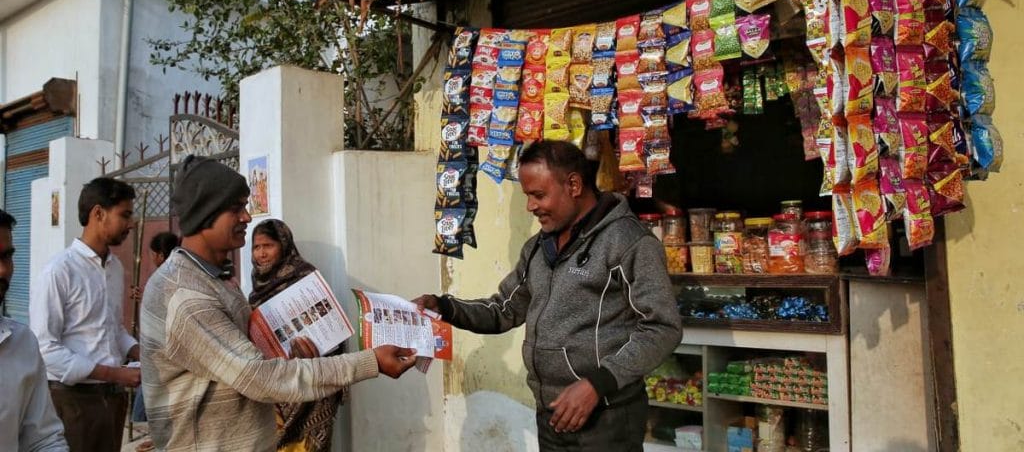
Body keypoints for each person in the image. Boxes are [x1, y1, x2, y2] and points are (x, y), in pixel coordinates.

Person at [415, 140, 682, 451]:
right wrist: (445, 307)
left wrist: (598, 384)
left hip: (607, 418)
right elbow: (504, 309)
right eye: (528, 196)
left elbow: (663, 327)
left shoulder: (629, 242)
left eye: (538, 195)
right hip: (553, 415)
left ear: (573, 185)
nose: (531, 206)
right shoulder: (538, 248)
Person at [140, 155, 417, 451]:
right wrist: (371, 361)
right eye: (236, 208)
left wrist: (290, 357)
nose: (247, 217)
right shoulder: (185, 296)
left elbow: (243, 364)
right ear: (205, 214)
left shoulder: (217, 280)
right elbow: (258, 376)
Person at [31, 178, 142, 452]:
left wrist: (141, 352)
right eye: (125, 215)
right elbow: (45, 349)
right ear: (98, 213)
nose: (131, 224)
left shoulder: (114, 268)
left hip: (112, 400)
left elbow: (111, 329)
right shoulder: (59, 271)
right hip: (74, 401)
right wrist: (114, 374)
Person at [248, 219, 342, 452]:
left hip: (310, 386)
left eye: (268, 246)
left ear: (284, 245)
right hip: (274, 385)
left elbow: (333, 332)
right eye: (256, 247)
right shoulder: (257, 284)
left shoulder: (305, 278)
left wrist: (312, 351)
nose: (261, 254)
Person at [0, 209, 69, 452]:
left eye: (6, 257)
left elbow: (43, 439)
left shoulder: (22, 343)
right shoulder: (58, 271)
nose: (3, 271)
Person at [131, 231, 181, 452]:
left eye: (153, 254)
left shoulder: (167, 277)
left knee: (146, 402)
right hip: (162, 351)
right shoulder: (173, 275)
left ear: (160, 255)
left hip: (163, 352)